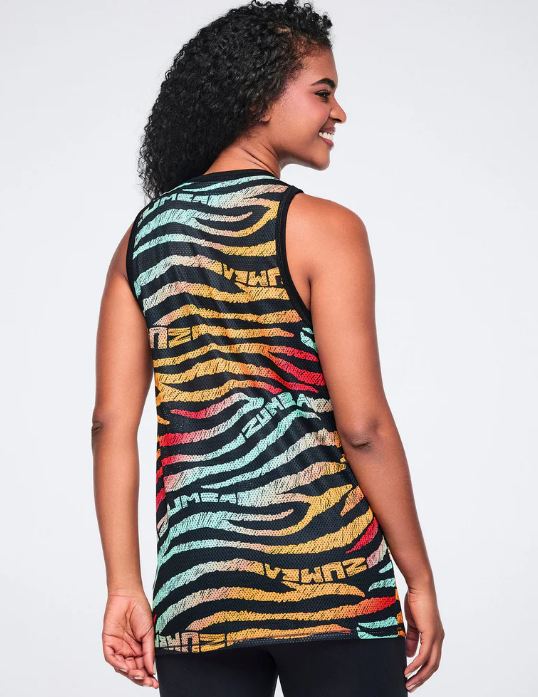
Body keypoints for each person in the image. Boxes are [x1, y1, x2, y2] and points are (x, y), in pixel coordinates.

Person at [92, 1, 445, 695]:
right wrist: (420, 578)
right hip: (333, 583)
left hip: (200, 587)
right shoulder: (325, 228)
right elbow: (364, 428)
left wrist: (124, 586)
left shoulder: (142, 239)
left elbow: (109, 425)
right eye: (322, 92)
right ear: (257, 98)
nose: (338, 113)